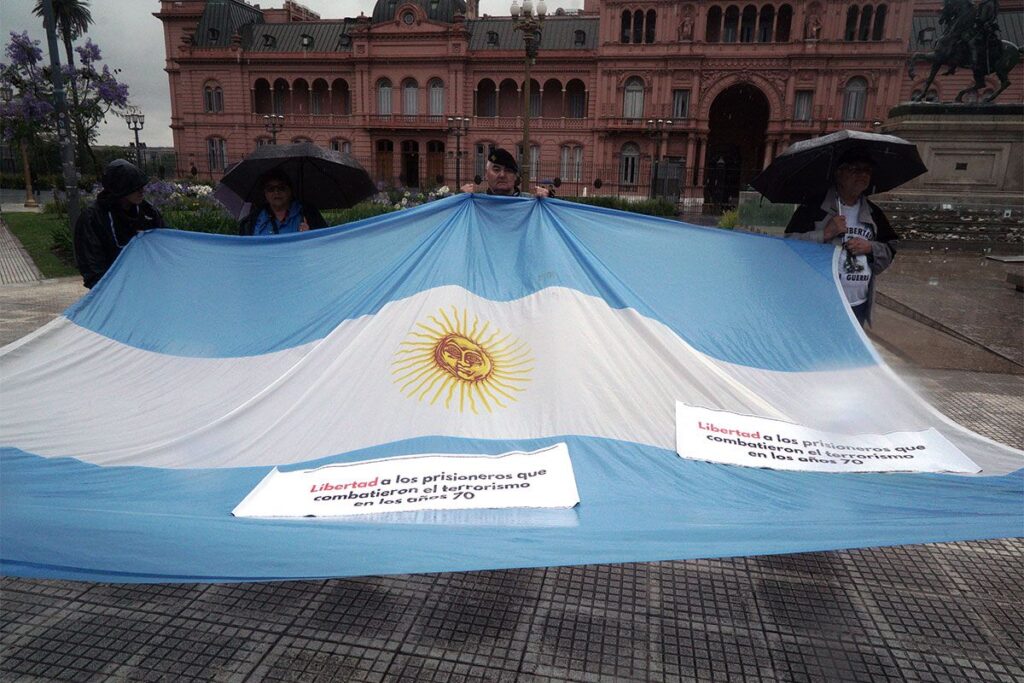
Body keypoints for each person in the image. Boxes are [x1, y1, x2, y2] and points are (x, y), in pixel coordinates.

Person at [784, 149, 898, 326]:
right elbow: (788, 246)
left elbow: (890, 248)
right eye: (855, 169)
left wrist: (870, 248)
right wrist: (824, 234)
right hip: (819, 303)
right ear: (839, 173)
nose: (863, 175)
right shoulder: (813, 208)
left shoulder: (874, 213)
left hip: (857, 305)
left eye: (867, 170)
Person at [73, 159, 165, 289]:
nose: (141, 191)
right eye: (135, 187)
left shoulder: (148, 212)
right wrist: (107, 290)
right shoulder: (93, 218)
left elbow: (164, 244)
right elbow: (91, 264)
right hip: (114, 290)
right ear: (120, 189)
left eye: (142, 186)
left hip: (146, 285)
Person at [238, 170, 327, 236]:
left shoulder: (309, 214)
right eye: (271, 189)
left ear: (290, 190)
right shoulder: (251, 221)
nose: (276, 192)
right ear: (265, 193)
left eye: (281, 188)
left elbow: (324, 245)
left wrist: (311, 236)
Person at [461, 148, 551, 197]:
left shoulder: (531, 202)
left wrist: (546, 200)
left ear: (515, 177)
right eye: (496, 170)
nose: (502, 175)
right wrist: (461, 199)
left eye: (508, 170)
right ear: (486, 174)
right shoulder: (475, 203)